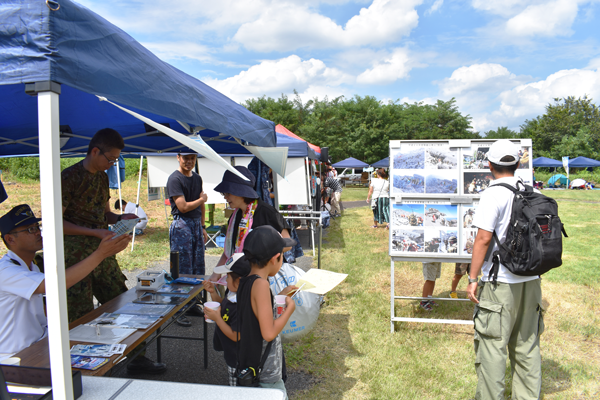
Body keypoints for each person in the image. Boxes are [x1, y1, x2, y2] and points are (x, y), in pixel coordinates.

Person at [61, 127, 165, 373]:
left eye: (115, 160)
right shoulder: (68, 178)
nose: (112, 164)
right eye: (110, 159)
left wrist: (120, 217)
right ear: (95, 151)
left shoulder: (101, 177)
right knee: (80, 314)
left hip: (103, 252)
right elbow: (57, 222)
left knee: (119, 302)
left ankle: (135, 358)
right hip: (76, 257)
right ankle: (83, 370)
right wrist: (95, 232)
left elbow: (104, 213)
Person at [0, 204, 130, 360]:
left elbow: (40, 307)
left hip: (38, 344)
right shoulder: (6, 270)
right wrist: (100, 254)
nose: (37, 233)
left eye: (37, 227)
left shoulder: (30, 265)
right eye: (30, 230)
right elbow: (52, 285)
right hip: (15, 355)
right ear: (10, 239)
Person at [466, 140, 544, 400]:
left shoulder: (492, 194)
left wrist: (473, 277)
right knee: (527, 345)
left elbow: (483, 239)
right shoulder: (529, 191)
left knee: (492, 348)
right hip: (531, 279)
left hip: (500, 281)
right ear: (518, 163)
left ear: (489, 166)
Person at [237, 226, 297, 397]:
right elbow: (269, 333)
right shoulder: (262, 285)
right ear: (275, 258)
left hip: (251, 362)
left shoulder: (247, 280)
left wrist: (279, 296)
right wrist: (289, 310)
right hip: (265, 370)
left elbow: (255, 311)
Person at [212, 166, 293, 274]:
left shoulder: (267, 212)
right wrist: (215, 274)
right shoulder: (235, 216)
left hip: (263, 277)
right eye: (224, 193)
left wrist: (258, 257)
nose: (225, 197)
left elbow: (287, 244)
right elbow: (229, 251)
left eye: (228, 193)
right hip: (239, 276)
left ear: (240, 191)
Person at [166, 150, 208, 327]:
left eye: (192, 158)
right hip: (182, 225)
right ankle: (177, 309)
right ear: (178, 157)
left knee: (197, 266)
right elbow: (182, 207)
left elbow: (201, 205)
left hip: (196, 225)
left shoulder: (197, 178)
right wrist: (202, 200)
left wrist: (203, 225)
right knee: (181, 268)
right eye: (185, 158)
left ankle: (191, 304)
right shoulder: (174, 179)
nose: (189, 161)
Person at [203, 253, 251, 386]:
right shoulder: (232, 293)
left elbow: (236, 335)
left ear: (239, 281)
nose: (224, 279)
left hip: (238, 356)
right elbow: (223, 306)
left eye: (227, 276)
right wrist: (212, 292)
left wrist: (217, 319)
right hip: (231, 351)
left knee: (237, 386)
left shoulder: (241, 304)